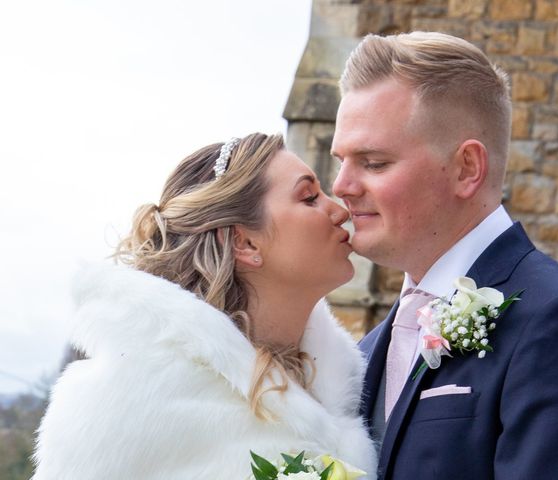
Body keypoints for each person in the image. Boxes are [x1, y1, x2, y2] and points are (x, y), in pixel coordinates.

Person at [331, 31, 558, 479]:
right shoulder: (365, 351)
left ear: (467, 168)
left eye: (374, 162)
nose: (341, 185)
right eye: (340, 160)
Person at [32, 133, 377, 479]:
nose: (339, 210)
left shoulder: (362, 379)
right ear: (245, 242)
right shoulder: (114, 406)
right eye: (309, 198)